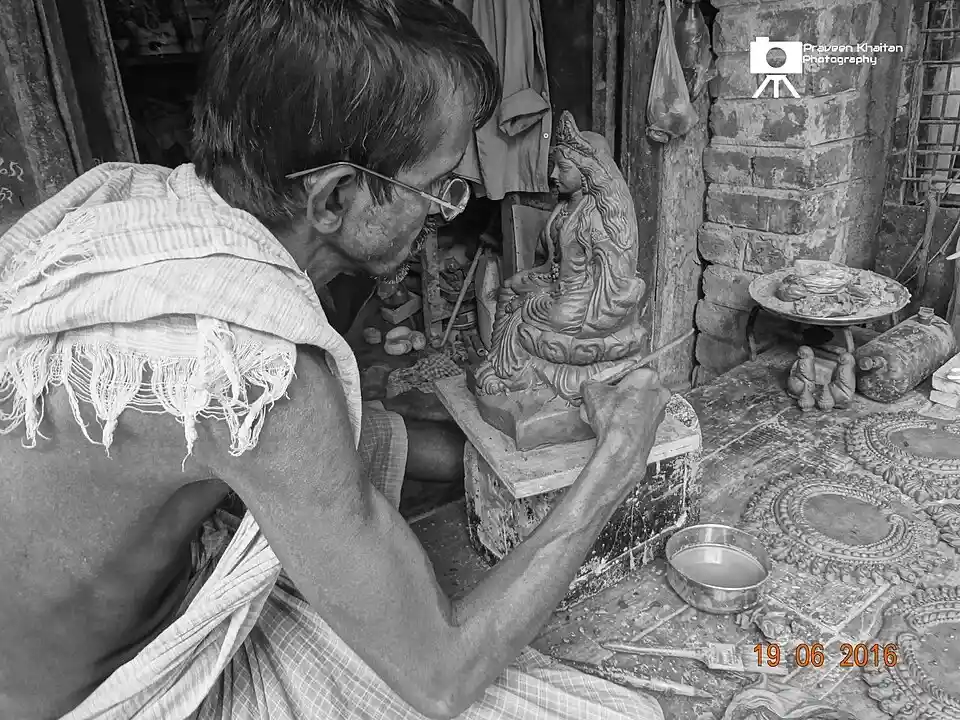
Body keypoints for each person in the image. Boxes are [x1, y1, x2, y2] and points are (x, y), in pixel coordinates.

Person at [0, 2, 670, 719]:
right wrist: (619, 461)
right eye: (437, 188)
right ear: (338, 197)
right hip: (100, 692)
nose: (442, 210)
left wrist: (484, 454)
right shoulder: (259, 371)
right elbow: (443, 677)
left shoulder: (138, 204)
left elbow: (288, 453)